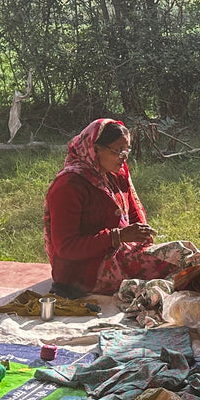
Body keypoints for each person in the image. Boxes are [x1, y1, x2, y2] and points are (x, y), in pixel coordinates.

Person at [43, 118, 178, 296]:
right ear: (95, 149)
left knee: (182, 255)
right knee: (179, 270)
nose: (124, 156)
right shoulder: (68, 186)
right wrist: (117, 237)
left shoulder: (115, 175)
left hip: (118, 253)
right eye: (118, 150)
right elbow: (66, 247)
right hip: (83, 272)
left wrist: (139, 238)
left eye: (127, 149)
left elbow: (134, 216)